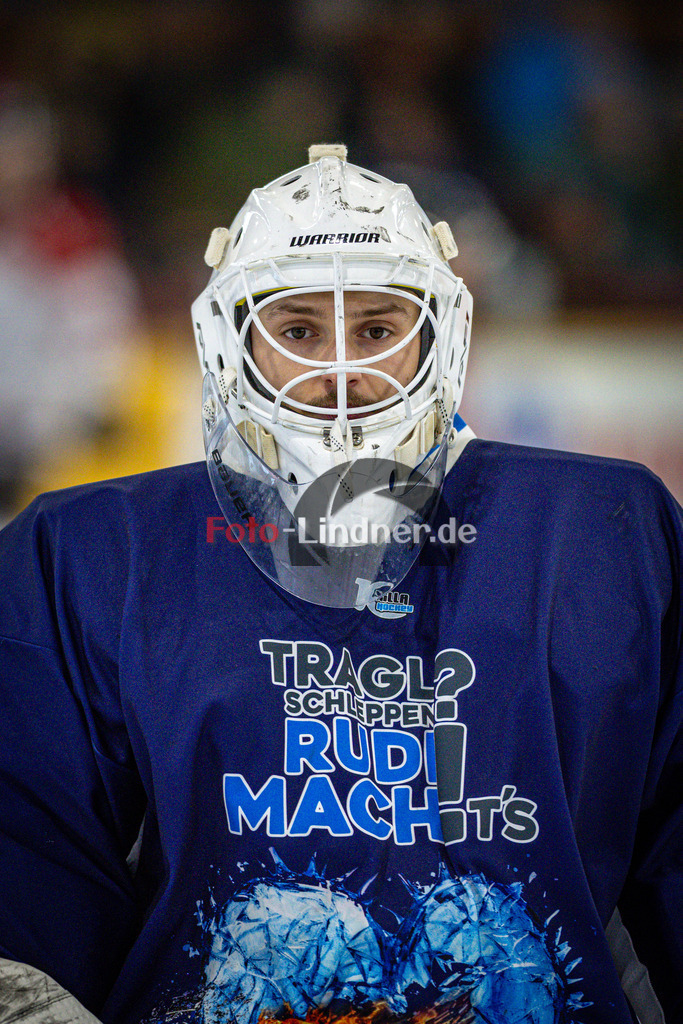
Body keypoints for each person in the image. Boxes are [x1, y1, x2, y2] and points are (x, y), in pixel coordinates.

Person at [0, 145, 680, 1024]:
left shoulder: (606, 537)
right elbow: (27, 915)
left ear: (441, 335)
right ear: (226, 341)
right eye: (298, 332)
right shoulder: (84, 557)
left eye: (375, 328)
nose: (342, 376)